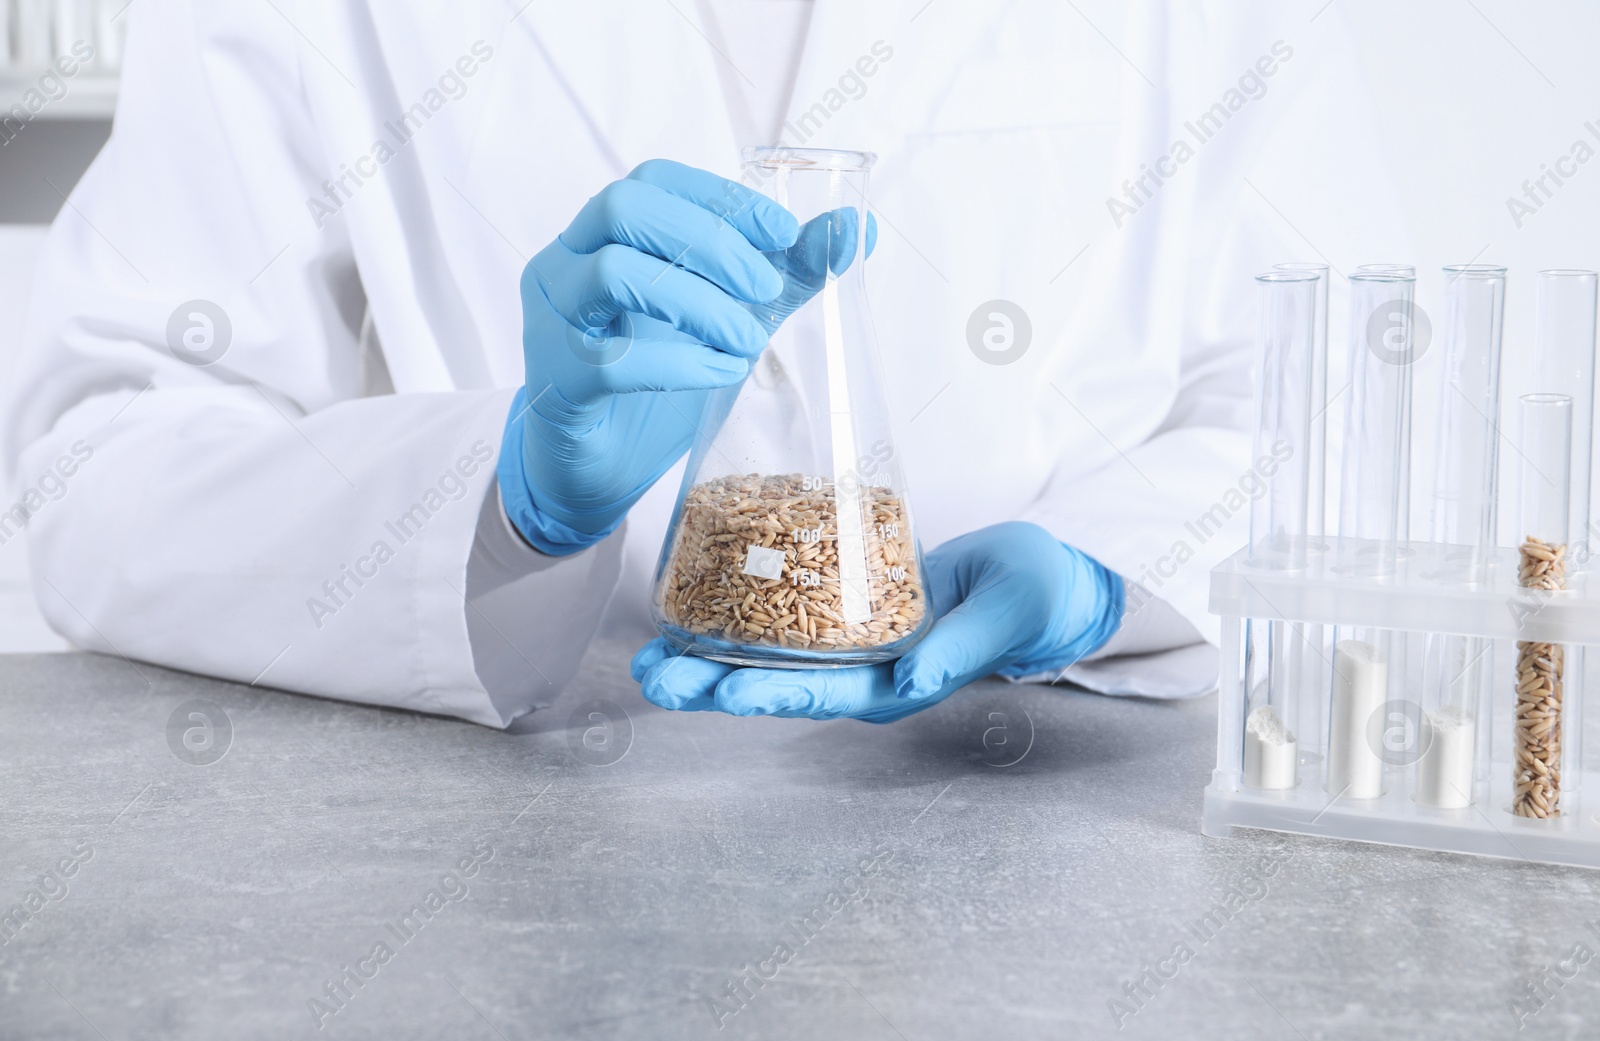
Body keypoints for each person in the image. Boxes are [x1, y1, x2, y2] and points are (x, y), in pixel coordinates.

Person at [4, 1, 1402, 726]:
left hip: (1052, 800)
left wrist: (1114, 574)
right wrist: (504, 503)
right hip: (504, 867)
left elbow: (1350, 390)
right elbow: (95, 459)